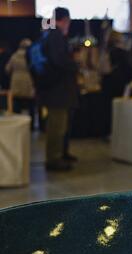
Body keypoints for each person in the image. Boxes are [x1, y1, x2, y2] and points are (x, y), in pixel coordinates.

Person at [37, 7, 79, 171]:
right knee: (57, 125)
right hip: (57, 91)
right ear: (64, 20)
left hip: (55, 90)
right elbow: (59, 60)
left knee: (61, 124)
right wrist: (74, 65)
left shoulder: (50, 35)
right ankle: (54, 159)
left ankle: (60, 154)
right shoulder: (56, 36)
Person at [5, 39, 36, 130]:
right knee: (31, 106)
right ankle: (31, 126)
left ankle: (17, 125)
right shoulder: (32, 56)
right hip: (28, 82)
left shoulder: (14, 56)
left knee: (17, 105)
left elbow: (7, 69)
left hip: (16, 82)